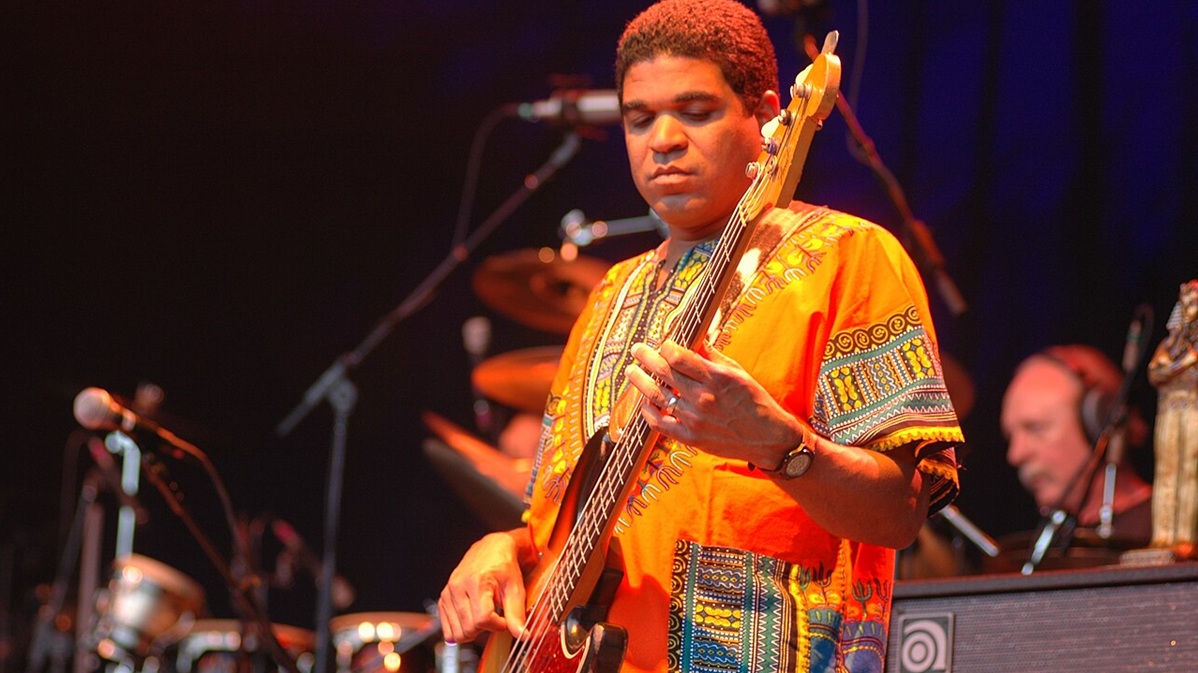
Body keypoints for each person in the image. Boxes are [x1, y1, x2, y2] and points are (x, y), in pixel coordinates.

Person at [437, 2, 962, 671]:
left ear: (767, 112)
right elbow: (561, 531)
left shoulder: (850, 257)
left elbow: (901, 512)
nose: (662, 138)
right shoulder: (610, 295)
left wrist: (781, 447)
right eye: (639, 118)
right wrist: (504, 546)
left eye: (695, 110)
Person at [1000, 344, 1153, 559]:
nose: (1015, 455)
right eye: (1010, 437)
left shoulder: (1172, 528)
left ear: (1101, 422)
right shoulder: (1046, 548)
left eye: (1035, 428)